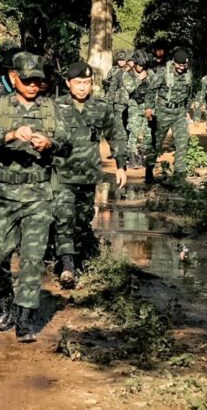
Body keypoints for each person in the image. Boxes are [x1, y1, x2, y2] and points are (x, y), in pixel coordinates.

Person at [0, 52, 71, 343]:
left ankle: (25, 316)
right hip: (3, 196)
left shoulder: (50, 108)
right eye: (27, 80)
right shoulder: (0, 105)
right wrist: (10, 134)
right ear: (14, 77)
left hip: (38, 196)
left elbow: (67, 144)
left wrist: (50, 143)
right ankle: (4, 292)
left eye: (37, 81)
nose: (33, 85)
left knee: (32, 258)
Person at [53, 61, 128, 285]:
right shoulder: (55, 107)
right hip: (62, 174)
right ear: (68, 83)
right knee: (64, 216)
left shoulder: (100, 107)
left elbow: (115, 134)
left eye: (86, 82)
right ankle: (67, 265)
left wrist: (120, 165)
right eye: (78, 82)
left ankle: (77, 257)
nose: (82, 87)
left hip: (88, 174)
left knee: (82, 219)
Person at [142, 47, 194, 183]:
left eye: (184, 65)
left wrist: (187, 111)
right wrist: (148, 108)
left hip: (179, 113)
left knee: (182, 141)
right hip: (163, 113)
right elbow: (151, 91)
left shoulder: (189, 74)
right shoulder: (163, 73)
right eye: (179, 65)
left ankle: (180, 177)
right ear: (174, 62)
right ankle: (149, 169)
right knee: (156, 143)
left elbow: (189, 94)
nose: (181, 68)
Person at [122, 51, 156, 168]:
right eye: (140, 65)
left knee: (148, 133)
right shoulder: (128, 74)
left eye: (143, 65)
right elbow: (130, 89)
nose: (141, 67)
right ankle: (132, 158)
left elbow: (154, 88)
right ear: (135, 64)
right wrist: (139, 79)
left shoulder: (149, 73)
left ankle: (143, 157)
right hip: (134, 106)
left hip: (147, 106)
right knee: (134, 132)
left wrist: (152, 106)